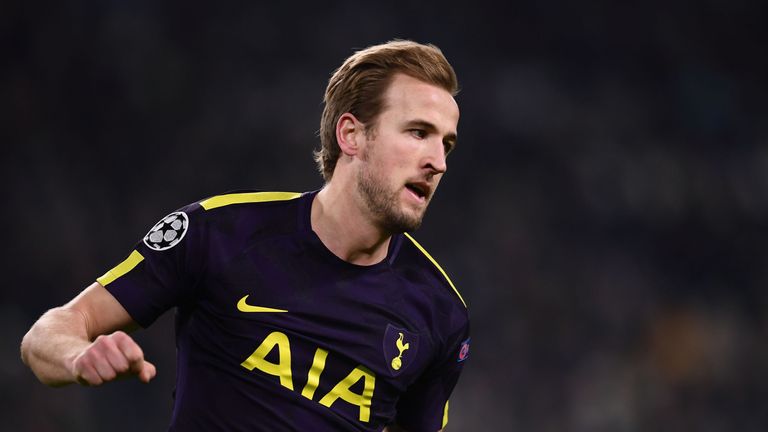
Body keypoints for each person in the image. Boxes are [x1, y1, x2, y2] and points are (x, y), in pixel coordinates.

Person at [21, 39, 470, 432]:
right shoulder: (220, 233)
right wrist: (78, 358)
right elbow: (47, 334)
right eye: (418, 133)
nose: (438, 161)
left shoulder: (439, 313)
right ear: (351, 135)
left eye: (445, 143)